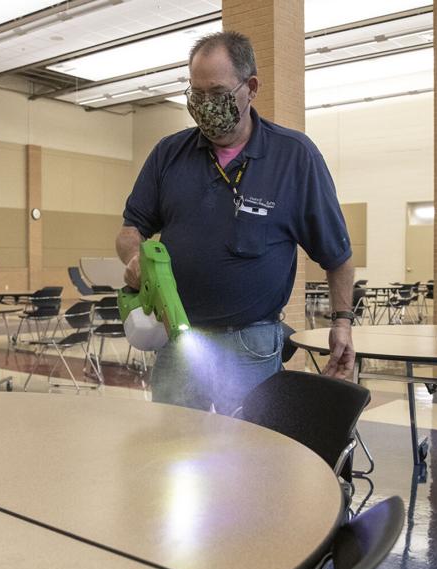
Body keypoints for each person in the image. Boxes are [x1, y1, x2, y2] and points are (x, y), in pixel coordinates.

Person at [117, 31, 356, 415]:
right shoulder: (168, 154)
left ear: (252, 87)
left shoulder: (294, 158)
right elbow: (131, 229)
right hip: (178, 339)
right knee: (169, 451)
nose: (204, 104)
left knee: (251, 458)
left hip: (252, 345)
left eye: (217, 92)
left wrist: (341, 323)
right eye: (196, 93)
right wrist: (134, 258)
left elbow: (337, 256)